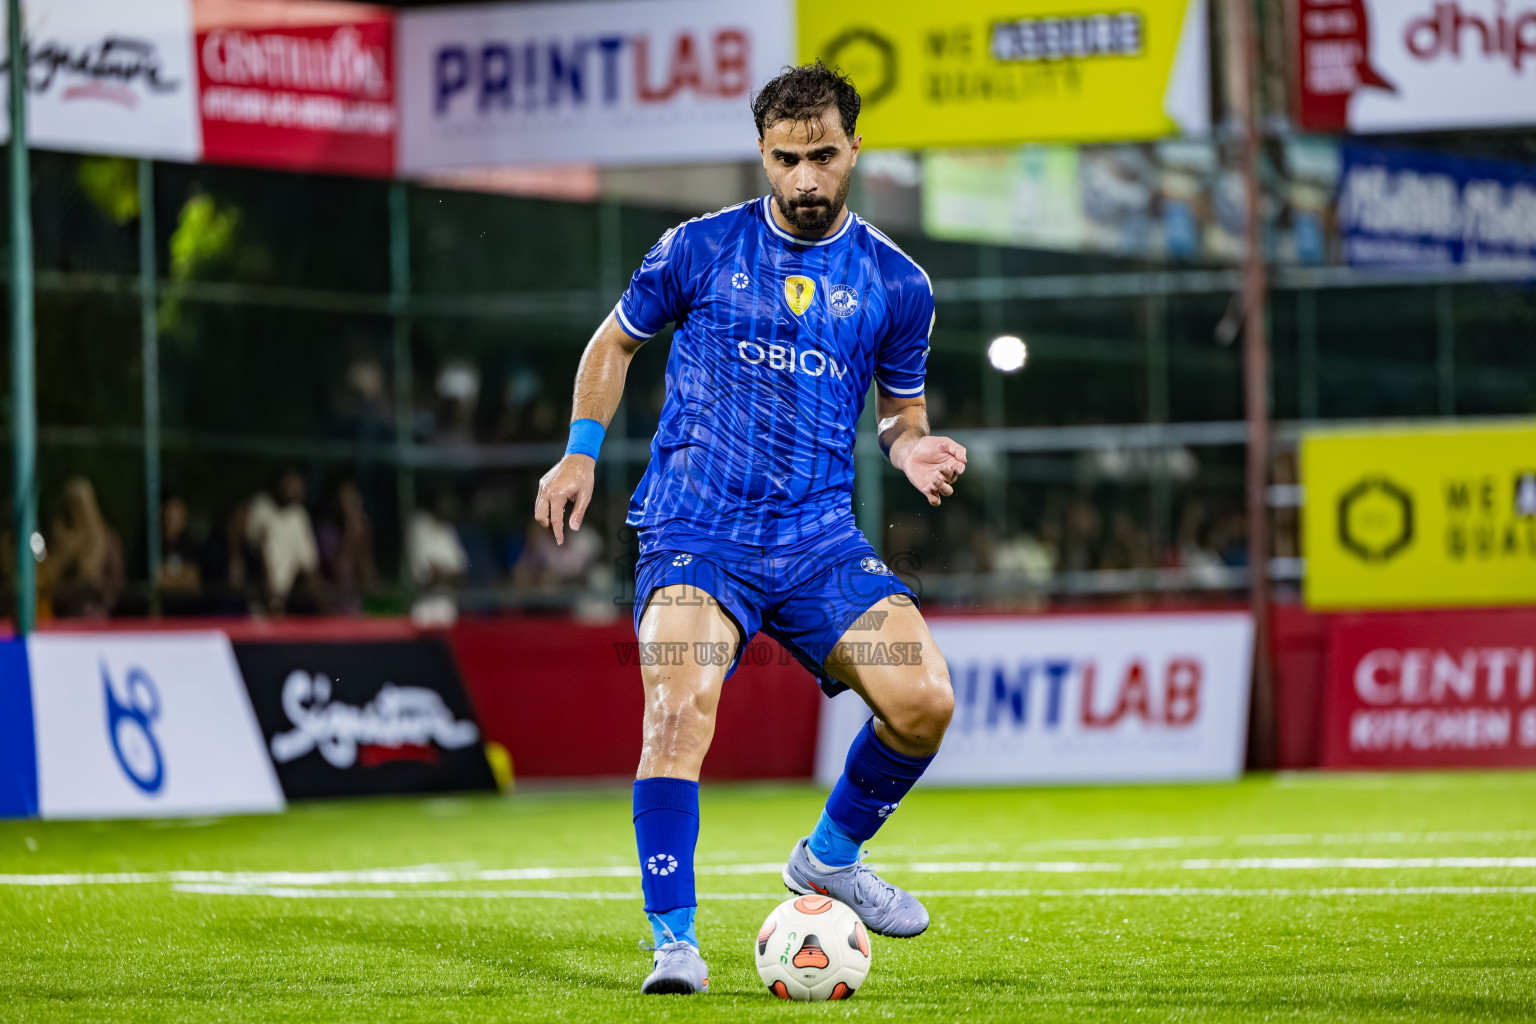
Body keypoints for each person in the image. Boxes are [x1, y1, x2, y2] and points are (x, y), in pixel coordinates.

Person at [534, 61, 966, 996]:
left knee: (925, 699)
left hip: (818, 542)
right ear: (761, 155)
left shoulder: (898, 283)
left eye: (822, 156)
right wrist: (578, 452)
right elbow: (614, 343)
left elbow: (900, 416)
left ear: (855, 149)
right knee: (677, 710)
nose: (805, 179)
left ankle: (829, 858)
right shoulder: (697, 248)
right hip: (698, 530)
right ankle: (675, 943)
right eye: (785, 159)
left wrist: (912, 450)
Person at [49, 476, 125, 619]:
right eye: (72, 505)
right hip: (63, 621)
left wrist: (97, 586)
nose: (77, 510)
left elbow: (117, 584)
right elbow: (50, 582)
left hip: (98, 620)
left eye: (81, 504)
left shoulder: (107, 540)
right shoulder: (59, 539)